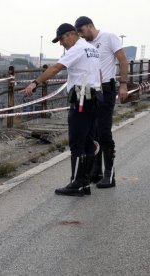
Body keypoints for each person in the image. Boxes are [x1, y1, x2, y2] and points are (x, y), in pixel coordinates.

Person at [23, 23, 102, 196]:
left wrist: (35, 83)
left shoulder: (77, 49)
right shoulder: (91, 49)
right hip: (94, 97)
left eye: (61, 39)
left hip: (82, 98)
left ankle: (77, 183)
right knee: (88, 142)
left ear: (71, 34)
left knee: (77, 142)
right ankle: (85, 183)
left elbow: (56, 68)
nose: (61, 43)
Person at [75, 16, 128, 189]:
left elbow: (122, 60)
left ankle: (109, 175)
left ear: (90, 26)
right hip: (93, 91)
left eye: (82, 32)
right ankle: (95, 172)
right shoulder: (85, 44)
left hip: (107, 89)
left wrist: (123, 85)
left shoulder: (108, 37)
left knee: (104, 132)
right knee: (93, 132)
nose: (82, 36)